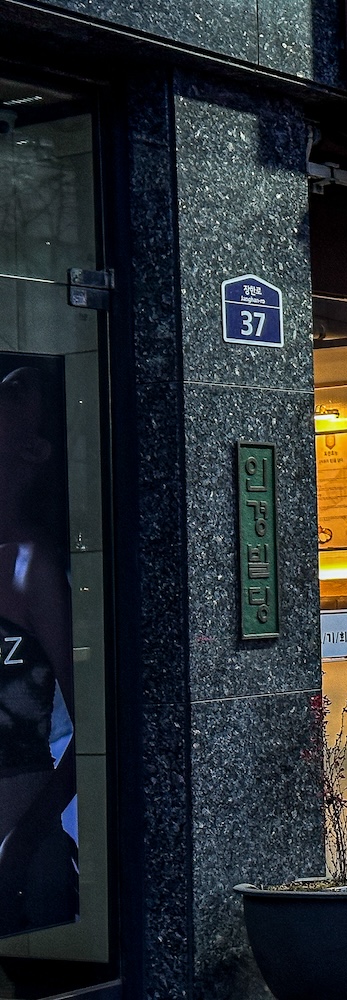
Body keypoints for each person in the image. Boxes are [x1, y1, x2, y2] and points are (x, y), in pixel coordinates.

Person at [0, 366, 76, 936]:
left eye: (16, 391)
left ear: (35, 449)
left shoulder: (34, 566)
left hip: (19, 859)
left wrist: (22, 844)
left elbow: (96, 727)